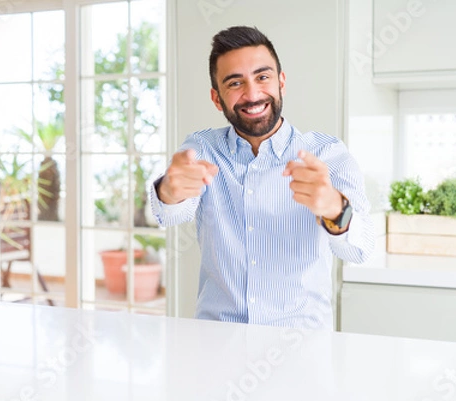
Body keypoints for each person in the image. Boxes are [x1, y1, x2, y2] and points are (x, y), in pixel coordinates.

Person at [150, 26, 374, 330]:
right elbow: (172, 212)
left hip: (301, 344)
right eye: (235, 83)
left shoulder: (327, 153)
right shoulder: (202, 149)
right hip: (216, 340)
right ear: (217, 99)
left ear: (281, 82)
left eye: (262, 77)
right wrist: (169, 190)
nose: (252, 93)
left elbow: (359, 249)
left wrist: (336, 208)